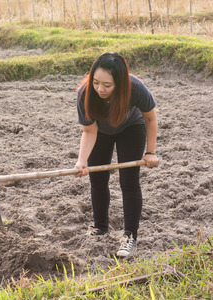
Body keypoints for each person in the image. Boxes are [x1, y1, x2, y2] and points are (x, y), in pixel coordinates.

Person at [74, 52, 159, 258]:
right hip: (101, 132)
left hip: (131, 128)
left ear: (119, 83)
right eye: (95, 82)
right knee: (97, 178)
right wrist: (81, 161)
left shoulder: (136, 88)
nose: (100, 89)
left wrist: (150, 152)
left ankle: (130, 236)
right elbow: (89, 131)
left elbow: (151, 119)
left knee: (128, 181)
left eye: (107, 85)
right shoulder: (85, 93)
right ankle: (100, 227)